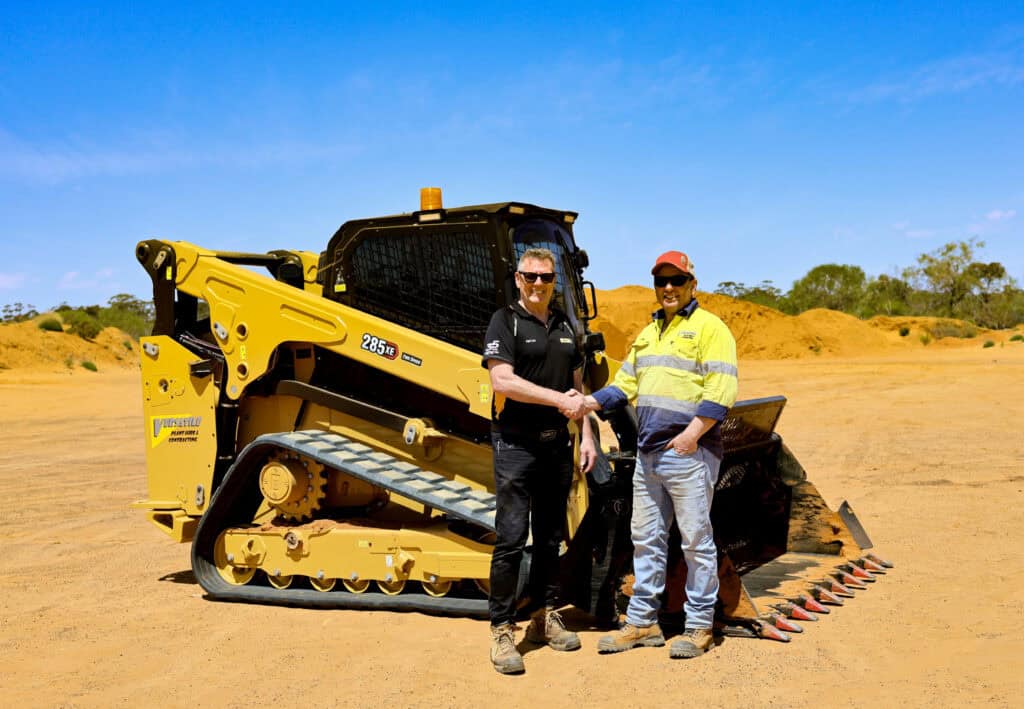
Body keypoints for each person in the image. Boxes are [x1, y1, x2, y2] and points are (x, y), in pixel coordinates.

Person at [578, 250, 737, 659]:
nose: (668, 288)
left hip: (688, 454)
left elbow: (721, 391)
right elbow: (624, 385)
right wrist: (586, 404)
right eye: (661, 281)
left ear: (691, 284)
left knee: (695, 542)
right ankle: (642, 620)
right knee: (646, 539)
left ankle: (699, 625)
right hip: (648, 455)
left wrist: (691, 436)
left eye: (676, 281)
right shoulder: (648, 333)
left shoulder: (710, 328)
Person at [481, 247, 597, 675]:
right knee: (511, 538)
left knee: (550, 537)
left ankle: (544, 616)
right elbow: (502, 380)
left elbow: (577, 384)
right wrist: (559, 402)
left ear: (555, 282)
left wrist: (586, 435)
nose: (537, 285)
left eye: (545, 278)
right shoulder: (505, 321)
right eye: (530, 277)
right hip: (515, 445)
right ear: (517, 279)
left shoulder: (566, 324)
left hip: (556, 447)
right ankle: (501, 629)